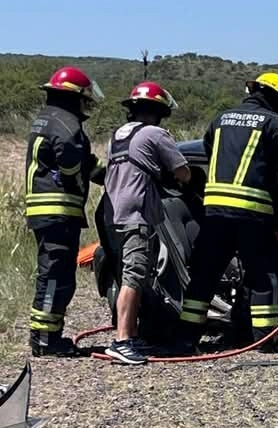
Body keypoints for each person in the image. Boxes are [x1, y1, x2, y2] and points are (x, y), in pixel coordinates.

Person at [178, 72, 278, 352]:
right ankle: (264, 339)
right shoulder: (272, 121)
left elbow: (207, 148)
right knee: (263, 276)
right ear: (277, 99)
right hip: (252, 213)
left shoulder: (221, 119)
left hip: (214, 212)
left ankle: (187, 337)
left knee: (205, 275)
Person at [101, 81, 191, 364]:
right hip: (136, 214)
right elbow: (184, 173)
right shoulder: (156, 134)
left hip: (111, 212)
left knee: (126, 273)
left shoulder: (117, 135)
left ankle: (131, 333)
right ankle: (123, 341)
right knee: (135, 275)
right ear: (160, 111)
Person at [25, 66, 106, 357]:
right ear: (75, 97)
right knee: (56, 275)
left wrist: (110, 175)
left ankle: (46, 336)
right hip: (58, 210)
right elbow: (73, 165)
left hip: (45, 211)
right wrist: (78, 180)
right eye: (85, 98)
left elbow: (87, 163)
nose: (88, 105)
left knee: (55, 273)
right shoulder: (67, 124)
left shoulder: (48, 119)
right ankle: (46, 340)